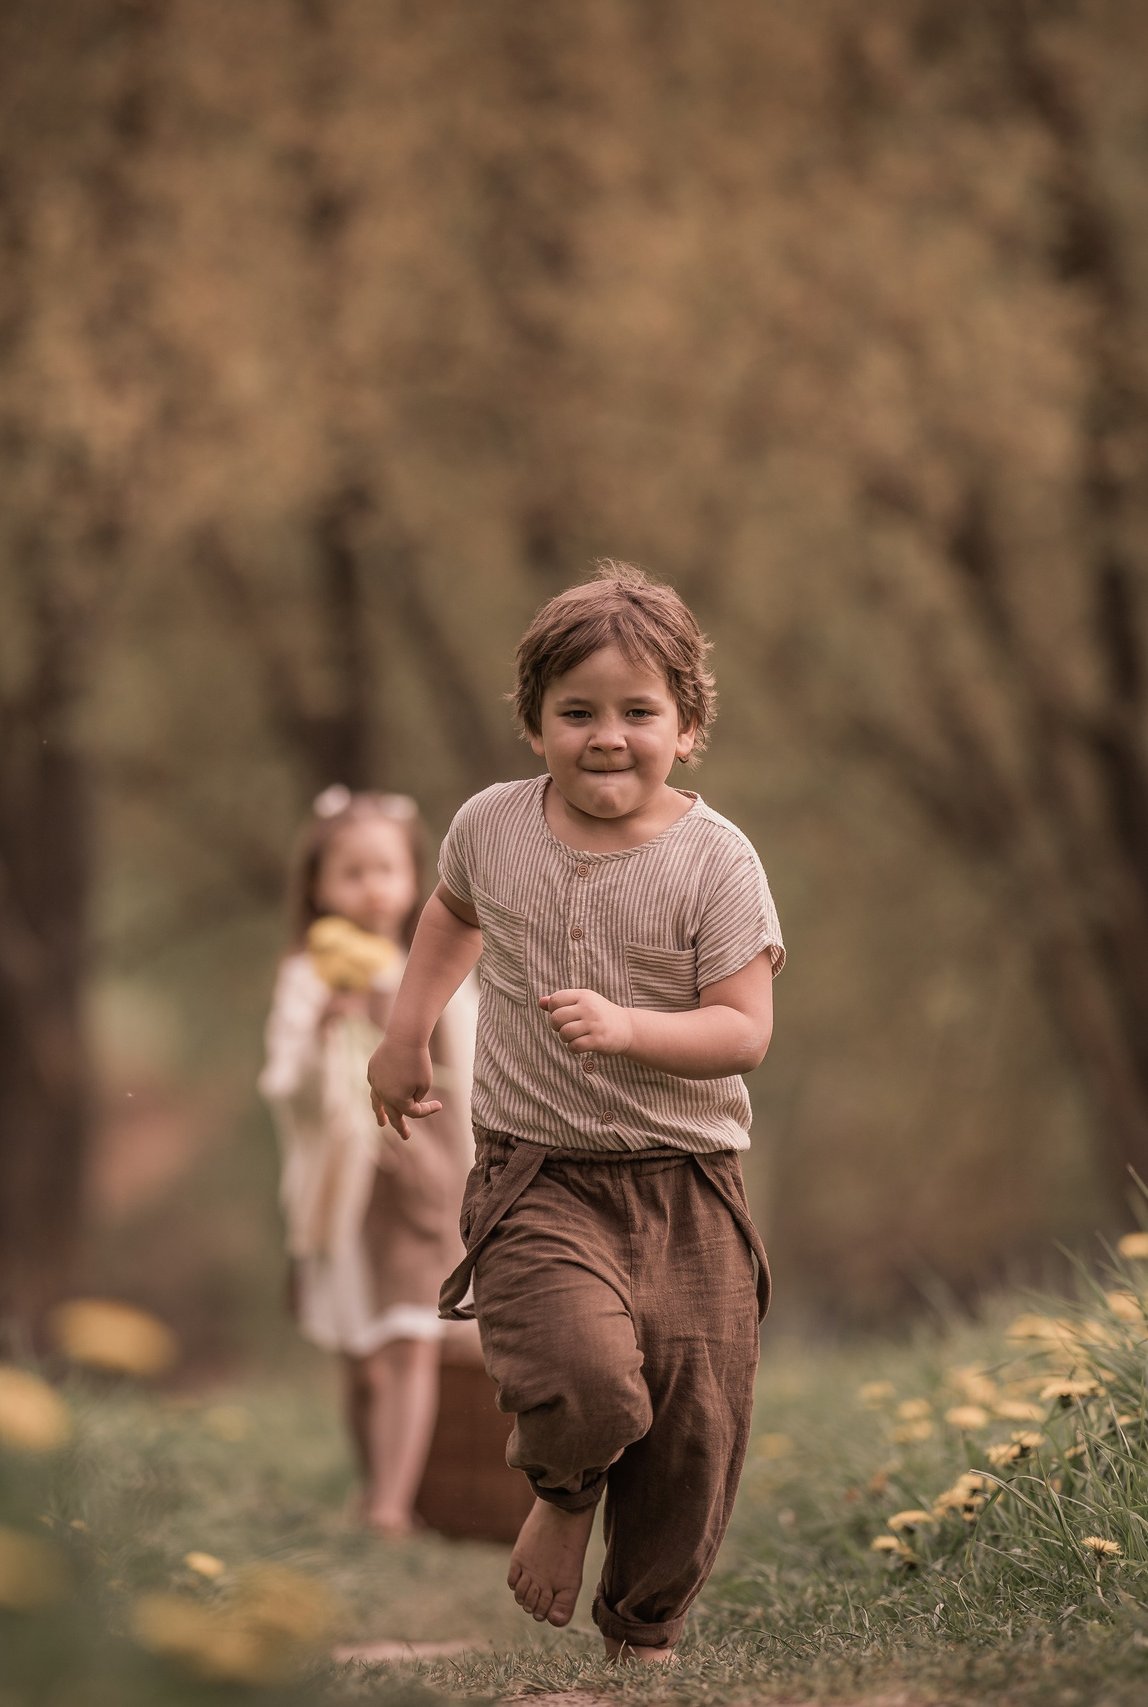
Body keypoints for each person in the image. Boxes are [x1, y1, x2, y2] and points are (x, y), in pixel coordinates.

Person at [368, 562, 781, 1663]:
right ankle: (560, 1493)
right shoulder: (491, 829)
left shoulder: (717, 862)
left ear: (686, 727)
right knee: (586, 1379)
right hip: (537, 1174)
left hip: (689, 1186)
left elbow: (744, 1030)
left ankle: (641, 1643)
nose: (608, 735)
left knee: (694, 1431)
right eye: (578, 712)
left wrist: (632, 1026)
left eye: (638, 711)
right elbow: (450, 919)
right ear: (534, 724)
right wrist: (407, 1034)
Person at [259, 785, 479, 1538]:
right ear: (319, 886)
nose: (371, 887)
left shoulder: (438, 965)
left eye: (386, 869)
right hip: (345, 1188)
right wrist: (329, 1031)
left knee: (411, 1336)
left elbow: (475, 1061)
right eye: (351, 872)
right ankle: (372, 1486)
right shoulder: (308, 978)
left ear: (412, 878)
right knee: (361, 1354)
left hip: (424, 1172)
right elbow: (283, 1087)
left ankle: (392, 1504)